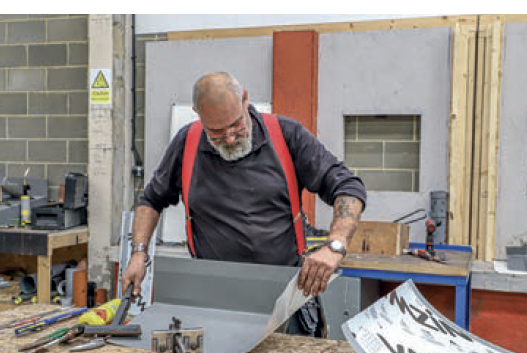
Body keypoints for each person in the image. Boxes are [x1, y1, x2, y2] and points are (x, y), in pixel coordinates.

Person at [122, 72, 367, 337]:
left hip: (284, 296)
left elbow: (347, 187)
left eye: (236, 125)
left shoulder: (286, 135)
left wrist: (335, 246)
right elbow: (151, 200)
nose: (229, 139)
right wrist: (138, 254)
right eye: (216, 132)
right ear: (197, 114)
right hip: (213, 299)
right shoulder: (187, 143)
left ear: (246, 100)